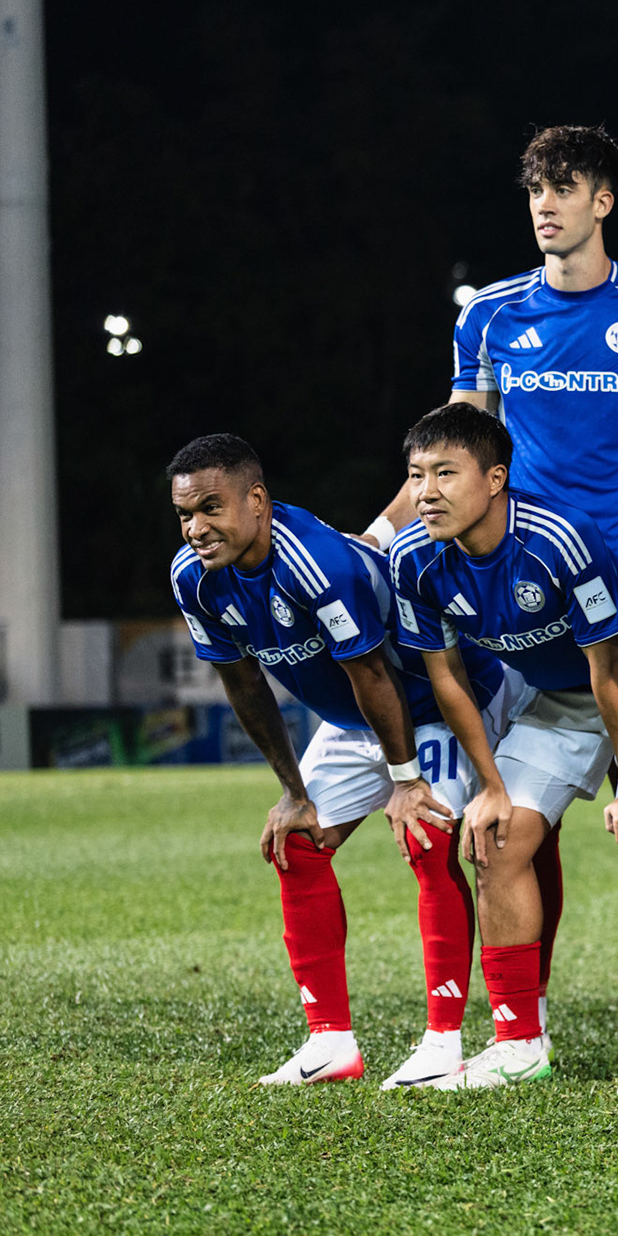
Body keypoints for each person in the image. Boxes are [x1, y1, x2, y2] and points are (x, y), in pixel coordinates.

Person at [364, 124, 618, 1064]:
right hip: (524, 607)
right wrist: (377, 533)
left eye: (564, 190)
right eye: (534, 193)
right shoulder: (487, 316)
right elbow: (455, 448)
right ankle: (521, 1034)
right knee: (503, 831)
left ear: (603, 200)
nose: (545, 207)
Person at [167, 433, 511, 1090]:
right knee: (296, 842)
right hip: (358, 715)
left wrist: (406, 781)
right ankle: (330, 1042)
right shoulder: (193, 578)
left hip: (436, 699)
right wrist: (293, 792)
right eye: (186, 514)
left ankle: (444, 1040)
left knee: (425, 833)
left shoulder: (317, 562)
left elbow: (375, 674)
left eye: (212, 508)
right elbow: (243, 684)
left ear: (257, 500)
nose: (197, 529)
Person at [388, 405, 618, 1094]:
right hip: (558, 699)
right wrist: (490, 787)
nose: (427, 492)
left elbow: (611, 668)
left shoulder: (559, 539)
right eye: (416, 476)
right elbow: (446, 678)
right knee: (496, 840)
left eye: (446, 473)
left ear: (495, 478)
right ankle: (518, 1042)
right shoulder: (411, 557)